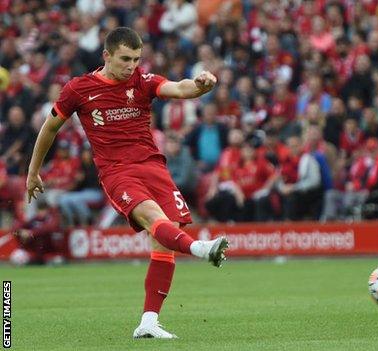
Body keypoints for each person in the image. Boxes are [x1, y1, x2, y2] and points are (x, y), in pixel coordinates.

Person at [26, 27, 228, 339]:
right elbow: (50, 128)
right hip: (117, 171)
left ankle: (148, 322)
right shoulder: (79, 89)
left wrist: (202, 85)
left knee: (163, 241)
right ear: (106, 55)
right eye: (124, 59)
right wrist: (33, 171)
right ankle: (202, 249)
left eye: (135, 59)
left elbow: (179, 88)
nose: (131, 65)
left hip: (153, 166)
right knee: (154, 219)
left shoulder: (142, 81)